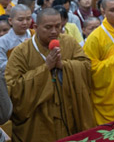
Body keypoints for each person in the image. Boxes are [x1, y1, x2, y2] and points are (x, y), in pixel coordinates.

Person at [5, 8, 95, 141]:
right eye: (48, 27)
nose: (54, 31)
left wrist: (63, 65)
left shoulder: (69, 42)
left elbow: (86, 66)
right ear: (35, 27)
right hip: (39, 117)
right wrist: (45, 68)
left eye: (58, 26)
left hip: (69, 110)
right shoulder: (21, 52)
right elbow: (12, 87)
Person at [0, 4, 32, 73]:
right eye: (20, 20)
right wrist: (21, 55)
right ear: (10, 21)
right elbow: (2, 66)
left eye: (28, 19)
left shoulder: (35, 35)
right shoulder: (3, 41)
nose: (25, 23)